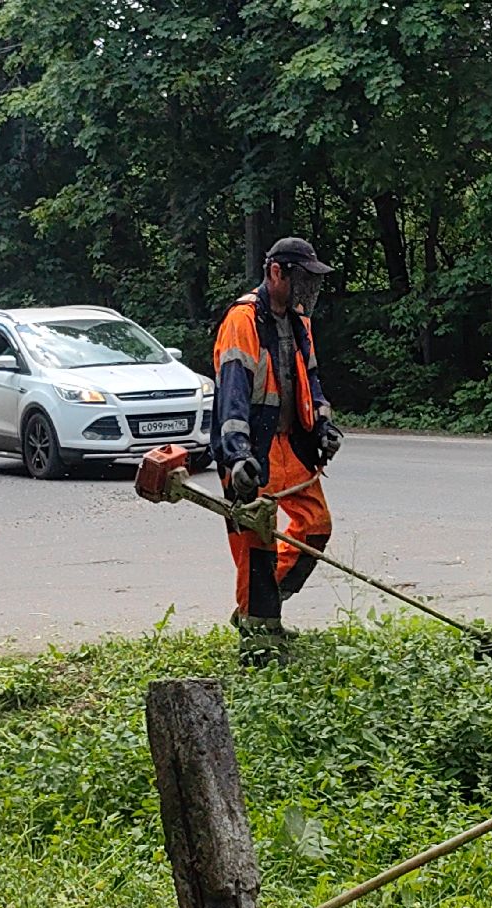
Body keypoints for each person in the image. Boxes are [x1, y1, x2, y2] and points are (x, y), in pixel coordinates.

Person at [211, 237, 345, 661]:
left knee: (316, 526)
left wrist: (323, 425)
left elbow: (312, 382)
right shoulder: (243, 320)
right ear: (276, 272)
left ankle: (261, 608)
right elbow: (232, 393)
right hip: (253, 448)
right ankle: (259, 636)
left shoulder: (300, 322)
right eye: (302, 279)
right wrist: (237, 455)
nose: (309, 289)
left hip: (292, 445)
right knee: (257, 541)